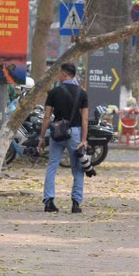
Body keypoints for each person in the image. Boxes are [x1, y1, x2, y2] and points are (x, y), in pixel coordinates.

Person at [38, 62, 89, 214]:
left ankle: (49, 201)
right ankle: (76, 203)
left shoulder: (53, 93)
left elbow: (47, 117)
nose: (58, 76)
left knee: (52, 165)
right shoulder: (82, 93)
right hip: (75, 133)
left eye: (60, 73)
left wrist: (42, 137)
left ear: (65, 74)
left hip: (57, 132)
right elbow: (85, 119)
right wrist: (83, 140)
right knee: (77, 168)